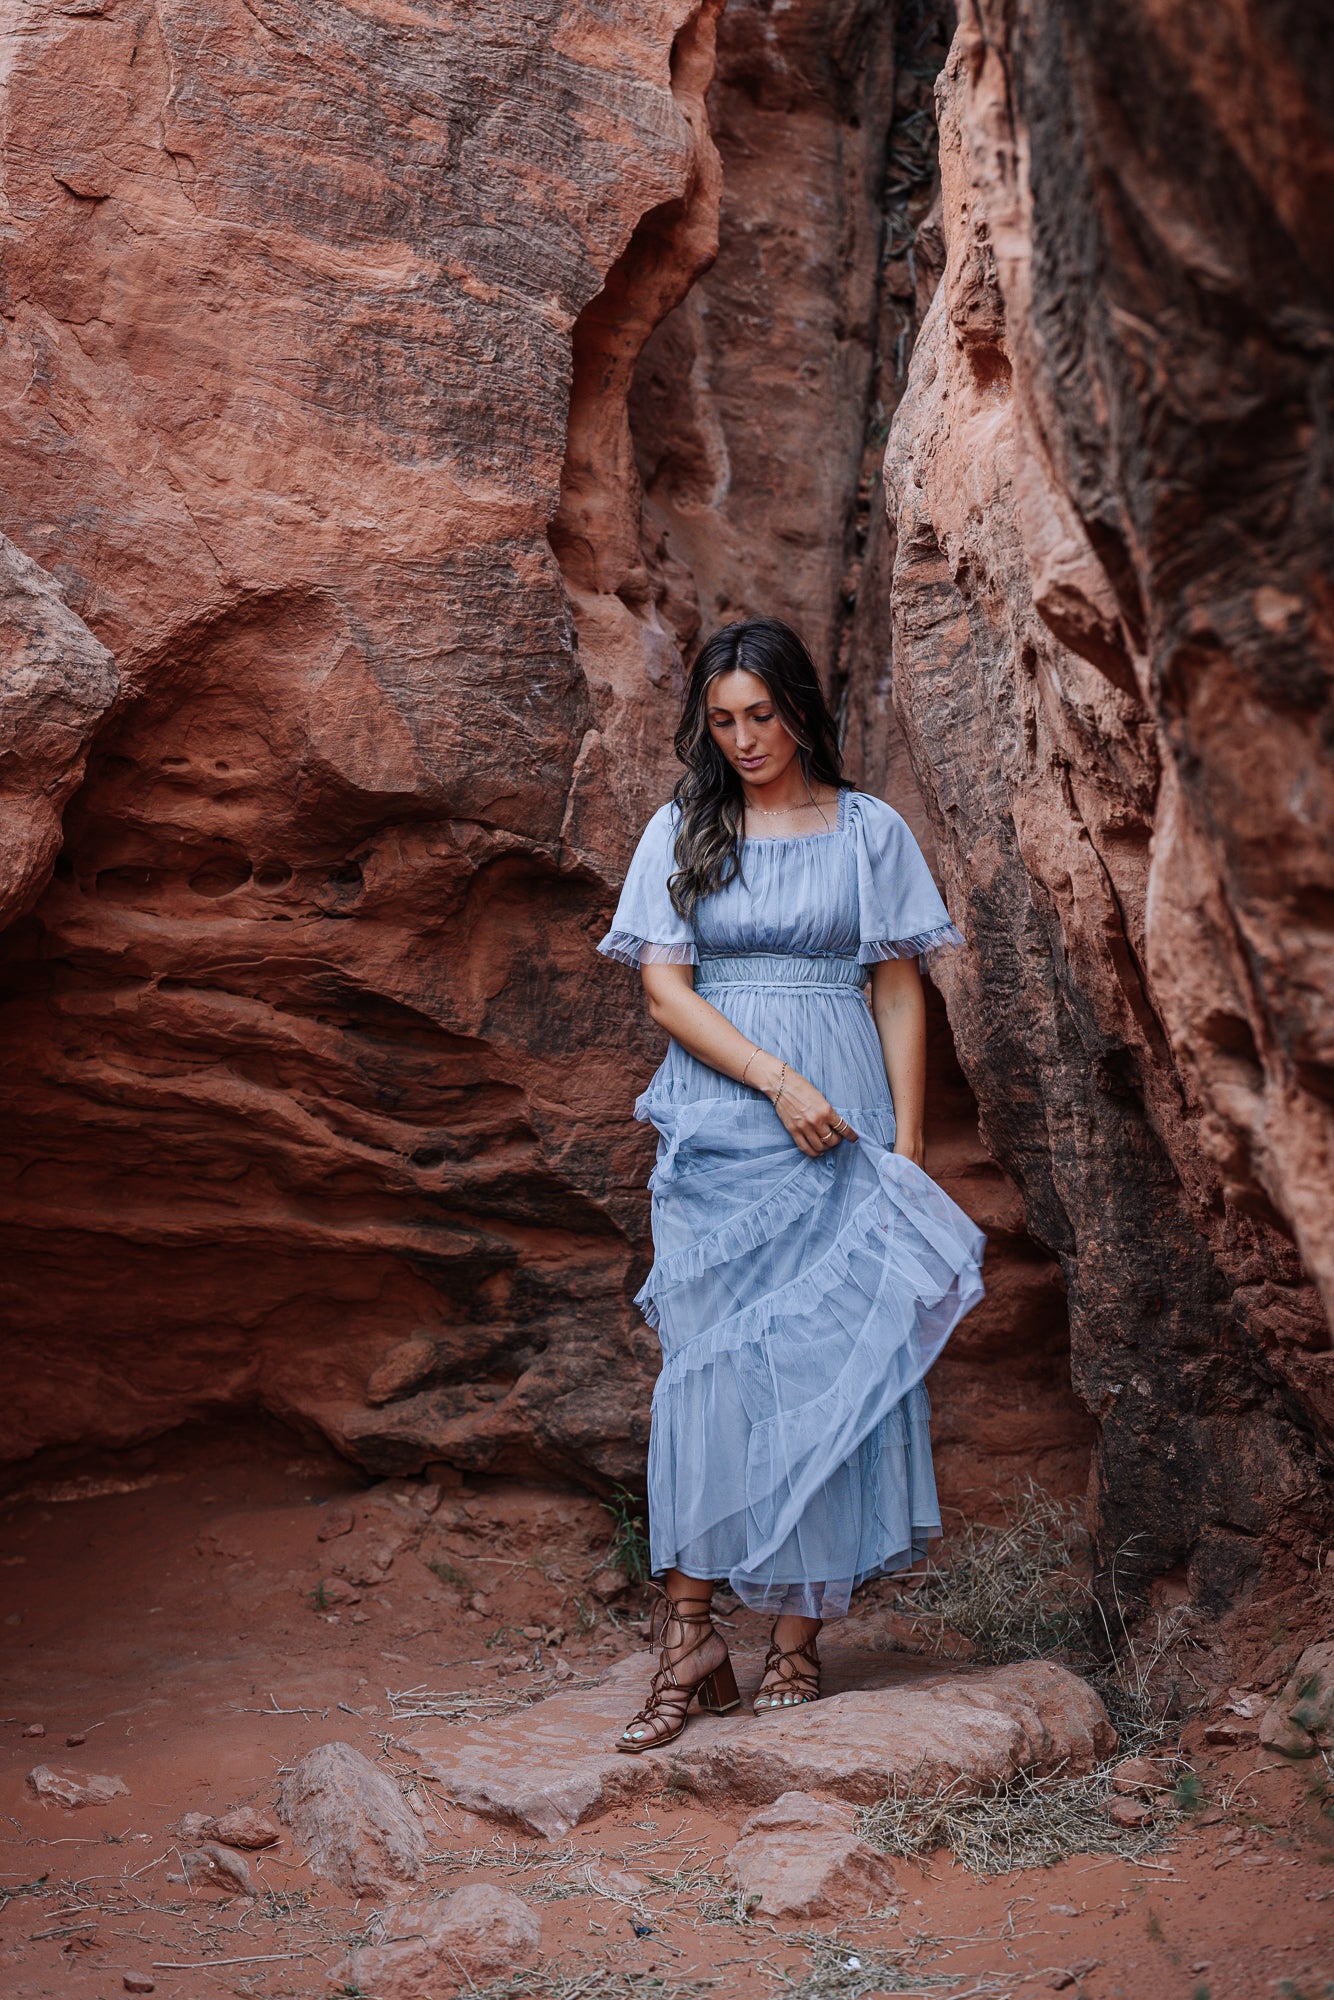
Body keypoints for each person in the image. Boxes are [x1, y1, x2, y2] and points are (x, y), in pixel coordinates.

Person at [597, 617, 985, 1751]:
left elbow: (898, 986)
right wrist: (776, 1081)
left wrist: (903, 1148)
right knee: (707, 1365)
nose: (743, 738)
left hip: (848, 1122)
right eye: (721, 721)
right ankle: (690, 1632)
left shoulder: (869, 831)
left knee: (826, 1364)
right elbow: (665, 993)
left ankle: (797, 1642)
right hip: (726, 1113)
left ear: (800, 710)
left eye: (760, 714)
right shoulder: (680, 828)